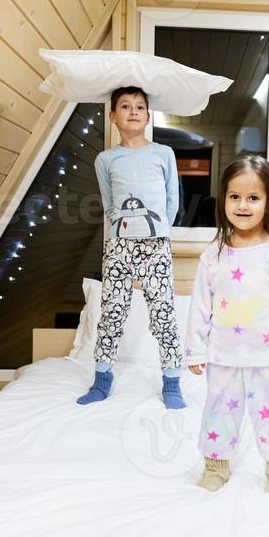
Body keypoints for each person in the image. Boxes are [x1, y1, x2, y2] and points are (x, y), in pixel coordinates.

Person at [184, 155, 269, 492]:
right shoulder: (214, 254)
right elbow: (200, 305)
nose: (242, 205)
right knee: (218, 411)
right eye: (234, 196)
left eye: (253, 197)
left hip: (268, 358)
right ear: (223, 200)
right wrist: (195, 350)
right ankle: (215, 465)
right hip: (223, 354)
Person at [77, 86, 184, 409]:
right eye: (125, 106)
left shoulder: (163, 154)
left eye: (140, 106)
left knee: (163, 312)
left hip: (155, 246)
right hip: (118, 247)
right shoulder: (106, 159)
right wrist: (119, 235)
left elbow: (171, 200)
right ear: (113, 116)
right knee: (112, 312)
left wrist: (158, 231)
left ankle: (172, 382)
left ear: (148, 115)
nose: (133, 111)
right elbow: (109, 203)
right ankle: (101, 379)